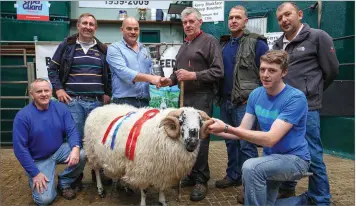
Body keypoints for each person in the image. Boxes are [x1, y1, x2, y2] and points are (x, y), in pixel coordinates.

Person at [208, 50, 310, 205]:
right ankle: (303, 201)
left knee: (251, 167)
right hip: (270, 159)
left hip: (295, 160)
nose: (265, 75)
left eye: (272, 70)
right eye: (262, 69)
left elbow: (270, 139)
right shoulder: (256, 94)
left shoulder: (295, 98)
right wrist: (215, 129)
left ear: (284, 72)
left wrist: (227, 127)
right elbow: (242, 131)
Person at [273, 2, 339, 205]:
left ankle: (321, 199)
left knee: (313, 154)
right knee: (284, 151)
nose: (284, 20)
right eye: (280, 18)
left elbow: (332, 71)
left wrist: (311, 91)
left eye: (288, 14)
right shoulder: (277, 45)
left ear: (299, 14)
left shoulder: (318, 37)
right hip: (282, 109)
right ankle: (286, 188)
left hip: (307, 109)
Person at [160, 7, 224, 201]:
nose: (187, 25)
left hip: (201, 98)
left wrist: (193, 75)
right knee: (186, 137)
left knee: (200, 139)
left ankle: (201, 180)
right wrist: (168, 80)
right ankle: (191, 173)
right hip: (185, 99)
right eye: (185, 22)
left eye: (191, 22)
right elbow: (178, 73)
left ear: (199, 22)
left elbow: (218, 71)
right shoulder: (185, 45)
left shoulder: (209, 42)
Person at [47, 13, 112, 186]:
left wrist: (108, 93)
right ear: (78, 25)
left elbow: (109, 74)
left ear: (95, 28)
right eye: (84, 23)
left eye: (91, 24)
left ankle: (98, 173)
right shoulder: (67, 46)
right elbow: (52, 69)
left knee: (99, 141)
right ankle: (71, 179)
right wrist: (59, 89)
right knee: (76, 143)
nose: (88, 27)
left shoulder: (102, 49)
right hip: (73, 102)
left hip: (97, 103)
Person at [215, 5, 269, 189]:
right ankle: (233, 175)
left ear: (246, 21)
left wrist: (255, 97)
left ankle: (250, 185)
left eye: (238, 17)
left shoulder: (257, 43)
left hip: (245, 103)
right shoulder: (222, 44)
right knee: (231, 142)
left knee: (246, 145)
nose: (233, 21)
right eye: (231, 18)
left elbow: (267, 72)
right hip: (225, 101)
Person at [13, 78, 86, 205]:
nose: (43, 94)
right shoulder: (23, 116)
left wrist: (75, 148)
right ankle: (36, 178)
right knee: (45, 200)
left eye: (46, 90)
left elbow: (72, 130)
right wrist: (35, 173)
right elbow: (20, 149)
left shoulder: (61, 108)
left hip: (58, 151)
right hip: (39, 159)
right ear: (32, 94)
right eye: (39, 91)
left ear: (51, 91)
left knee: (82, 153)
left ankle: (65, 181)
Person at [106, 17, 162, 108]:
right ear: (122, 30)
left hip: (144, 102)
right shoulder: (114, 48)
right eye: (129, 29)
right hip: (123, 102)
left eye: (136, 29)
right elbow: (124, 72)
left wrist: (159, 80)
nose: (133, 32)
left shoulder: (144, 49)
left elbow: (149, 73)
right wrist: (151, 78)